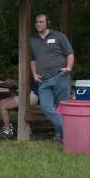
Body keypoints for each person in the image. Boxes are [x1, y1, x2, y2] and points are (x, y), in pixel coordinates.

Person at [29, 14, 74, 143]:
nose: (38, 24)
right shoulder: (32, 40)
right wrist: (34, 74)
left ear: (47, 23)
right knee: (46, 107)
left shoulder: (59, 36)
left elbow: (70, 53)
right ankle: (71, 132)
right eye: (37, 22)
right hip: (43, 80)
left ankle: (59, 137)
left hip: (60, 77)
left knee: (63, 108)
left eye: (41, 22)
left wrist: (69, 68)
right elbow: (33, 60)